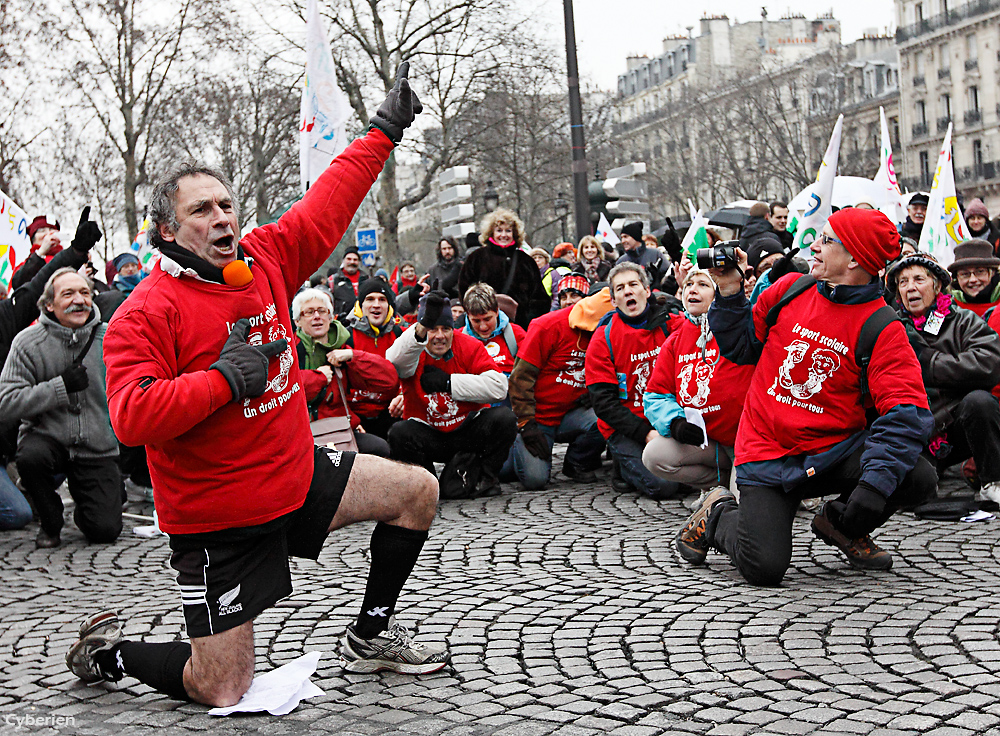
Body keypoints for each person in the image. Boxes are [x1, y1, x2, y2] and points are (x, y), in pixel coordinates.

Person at [67, 64, 449, 706]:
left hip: (294, 475)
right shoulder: (144, 311)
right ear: (168, 231)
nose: (221, 218)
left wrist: (382, 132)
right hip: (220, 518)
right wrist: (221, 380)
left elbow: (327, 203)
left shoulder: (266, 258)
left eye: (225, 204)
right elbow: (130, 417)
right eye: (201, 211)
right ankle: (112, 655)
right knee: (222, 687)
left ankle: (371, 634)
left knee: (417, 490)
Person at [677, 208, 937, 585]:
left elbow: (906, 413)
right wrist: (731, 294)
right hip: (767, 449)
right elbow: (741, 348)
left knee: (916, 477)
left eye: (827, 240)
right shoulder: (791, 289)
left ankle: (840, 526)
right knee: (763, 568)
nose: (814, 245)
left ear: (854, 260)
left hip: (831, 452)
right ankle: (716, 514)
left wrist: (872, 488)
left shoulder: (883, 327)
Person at [0, 268, 123, 549]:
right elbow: (5, 402)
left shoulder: (111, 338)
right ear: (49, 305)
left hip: (97, 447)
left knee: (104, 530)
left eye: (84, 293)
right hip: (47, 441)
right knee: (31, 458)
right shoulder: (28, 342)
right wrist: (59, 388)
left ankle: (95, 499)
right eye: (67, 294)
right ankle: (49, 516)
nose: (78, 300)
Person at [0, 209, 101, 533]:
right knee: (16, 514)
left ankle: (30, 486)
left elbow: (36, 287)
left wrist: (74, 251)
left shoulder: (6, 317)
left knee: (38, 458)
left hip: (8, 445)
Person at [886, 252, 1000, 504]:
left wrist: (931, 363)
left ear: (937, 286)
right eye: (903, 282)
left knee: (980, 402)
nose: (910, 287)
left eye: (918, 279)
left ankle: (992, 481)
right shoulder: (890, 327)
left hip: (956, 426)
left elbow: (990, 363)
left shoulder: (963, 321)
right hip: (915, 432)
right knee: (915, 492)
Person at [386, 291, 516, 498]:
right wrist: (421, 327)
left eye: (446, 329)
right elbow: (393, 361)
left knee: (504, 418)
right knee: (399, 432)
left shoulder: (468, 345)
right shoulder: (413, 349)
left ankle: (485, 477)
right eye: (432, 329)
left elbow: (499, 387)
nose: (439, 336)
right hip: (429, 432)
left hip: (466, 429)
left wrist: (449, 383)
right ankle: (425, 484)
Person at [643, 268, 754, 493]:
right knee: (654, 456)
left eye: (703, 284)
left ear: (719, 292)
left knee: (745, 514)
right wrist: (675, 422)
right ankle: (719, 486)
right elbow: (656, 395)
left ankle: (769, 486)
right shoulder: (675, 340)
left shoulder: (738, 327)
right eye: (689, 284)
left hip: (747, 441)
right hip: (709, 442)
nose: (693, 289)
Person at [585, 262, 684, 498]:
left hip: (670, 418)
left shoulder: (670, 323)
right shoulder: (603, 340)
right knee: (665, 486)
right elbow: (604, 405)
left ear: (647, 291)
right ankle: (623, 469)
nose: (627, 291)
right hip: (628, 427)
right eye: (620, 289)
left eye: (633, 285)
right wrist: (646, 434)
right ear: (614, 300)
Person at [507, 279, 606, 489]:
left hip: (573, 412)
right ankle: (509, 451)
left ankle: (576, 462)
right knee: (535, 480)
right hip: (539, 417)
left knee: (606, 417)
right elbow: (520, 379)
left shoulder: (607, 329)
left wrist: (596, 393)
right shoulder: (546, 326)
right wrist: (526, 424)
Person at [294, 288, 396, 457]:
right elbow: (284, 389)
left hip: (338, 429)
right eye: (309, 312)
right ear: (297, 321)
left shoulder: (341, 347)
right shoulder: (290, 351)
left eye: (322, 311)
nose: (317, 316)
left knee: (380, 449)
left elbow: (388, 381)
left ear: (330, 317)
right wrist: (317, 378)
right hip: (300, 432)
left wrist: (352, 356)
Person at [458, 209, 548, 329]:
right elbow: (465, 291)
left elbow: (540, 298)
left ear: (514, 233)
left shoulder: (526, 261)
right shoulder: (476, 258)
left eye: (508, 231)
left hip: (520, 326)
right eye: (499, 230)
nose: (504, 235)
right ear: (491, 233)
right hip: (484, 326)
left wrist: (527, 319)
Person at [346, 278, 404, 439]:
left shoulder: (399, 336)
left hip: (391, 413)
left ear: (389, 307)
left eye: (382, 300)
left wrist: (403, 396)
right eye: (370, 299)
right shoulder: (346, 336)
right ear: (360, 306)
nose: (376, 305)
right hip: (356, 415)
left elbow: (412, 374)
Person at [462, 283, 525, 389]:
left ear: (496, 311)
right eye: (476, 321)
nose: (483, 327)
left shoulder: (515, 334)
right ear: (468, 316)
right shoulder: (460, 339)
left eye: (487, 319)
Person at [946, 239, 1000, 316]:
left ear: (992, 273)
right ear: (956, 278)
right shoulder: (947, 309)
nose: (973, 279)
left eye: (980, 272)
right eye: (965, 274)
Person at [10, 215, 63, 291]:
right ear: (33, 239)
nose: (48, 234)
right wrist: (41, 252)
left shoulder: (69, 258)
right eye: (42, 231)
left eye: (51, 230)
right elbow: (18, 283)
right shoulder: (24, 266)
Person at [616, 222, 667, 287]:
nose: (623, 241)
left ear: (635, 237)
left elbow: (667, 275)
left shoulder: (655, 254)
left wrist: (657, 284)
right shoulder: (621, 261)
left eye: (626, 237)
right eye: (622, 238)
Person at [329, 245, 369, 319]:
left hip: (364, 323)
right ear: (343, 261)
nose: (352, 262)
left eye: (355, 259)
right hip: (342, 323)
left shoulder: (367, 279)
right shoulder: (333, 280)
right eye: (349, 259)